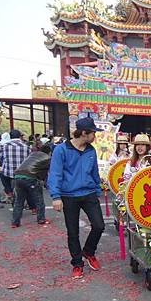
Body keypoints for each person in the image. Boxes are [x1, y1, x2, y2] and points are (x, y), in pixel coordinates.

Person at [47, 117, 105, 279]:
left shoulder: (91, 150)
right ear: (84, 133)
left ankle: (88, 251)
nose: (95, 136)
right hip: (68, 196)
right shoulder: (61, 150)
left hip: (89, 194)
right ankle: (77, 263)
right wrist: (56, 196)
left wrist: (97, 189)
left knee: (99, 225)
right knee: (73, 232)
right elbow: (55, 173)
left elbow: (94, 172)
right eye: (93, 133)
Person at [12, 144, 52, 228]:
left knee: (19, 201)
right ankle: (41, 219)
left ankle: (15, 222)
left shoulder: (33, 154)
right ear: (49, 152)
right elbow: (45, 173)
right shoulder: (47, 158)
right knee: (39, 200)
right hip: (30, 178)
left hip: (17, 176)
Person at [0, 129, 31, 204]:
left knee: (2, 174)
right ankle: (33, 208)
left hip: (8, 173)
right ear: (20, 137)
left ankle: (9, 192)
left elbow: (0, 157)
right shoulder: (27, 147)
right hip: (22, 173)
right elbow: (30, 159)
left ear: (10, 137)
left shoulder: (4, 146)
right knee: (28, 188)